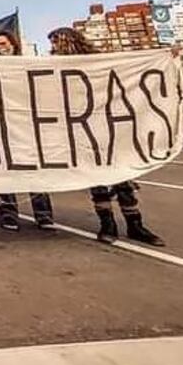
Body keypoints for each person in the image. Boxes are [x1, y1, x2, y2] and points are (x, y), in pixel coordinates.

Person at [48, 27, 165, 246]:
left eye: (57, 41)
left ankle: (135, 225)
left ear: (72, 40)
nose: (54, 46)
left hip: (111, 127)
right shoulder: (54, 66)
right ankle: (107, 223)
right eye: (53, 42)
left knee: (123, 177)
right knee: (98, 179)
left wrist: (166, 56)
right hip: (84, 128)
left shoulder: (100, 60)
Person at [0, 30, 55, 231]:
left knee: (35, 170)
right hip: (2, 126)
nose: (1, 49)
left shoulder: (28, 64)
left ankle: (43, 215)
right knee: (5, 171)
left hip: (28, 125)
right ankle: (8, 214)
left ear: (13, 44)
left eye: (3, 44)